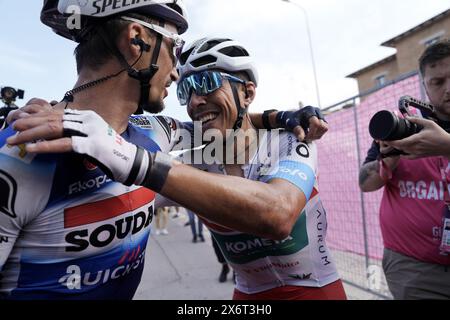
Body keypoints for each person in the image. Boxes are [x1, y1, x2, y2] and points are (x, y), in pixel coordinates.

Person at [1, 1, 327, 300]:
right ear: (136, 39)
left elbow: (228, 123)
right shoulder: (18, 150)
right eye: (175, 46)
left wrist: (281, 117)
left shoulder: (156, 131)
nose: (174, 71)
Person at [359, 40, 450, 300]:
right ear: (424, 85)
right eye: (438, 81)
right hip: (413, 268)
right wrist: (387, 162)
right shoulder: (406, 126)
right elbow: (366, 183)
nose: (448, 89)